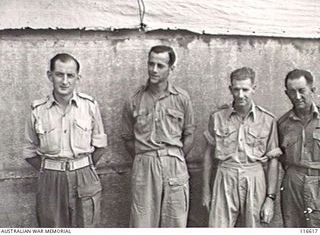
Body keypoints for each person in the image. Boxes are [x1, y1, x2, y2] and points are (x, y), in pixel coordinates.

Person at [23, 53, 107, 227]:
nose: (64, 81)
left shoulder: (89, 106)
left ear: (78, 78)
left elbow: (100, 146)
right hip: (51, 178)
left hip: (84, 176)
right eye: (59, 74)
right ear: (50, 75)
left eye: (70, 76)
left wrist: (83, 168)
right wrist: (52, 170)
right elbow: (29, 152)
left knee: (86, 227)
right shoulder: (38, 110)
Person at [121, 45, 195, 227]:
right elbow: (128, 139)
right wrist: (145, 158)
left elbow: (189, 135)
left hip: (174, 164)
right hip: (145, 163)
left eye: (160, 66)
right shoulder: (134, 99)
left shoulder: (181, 98)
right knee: (142, 223)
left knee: (175, 221)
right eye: (151, 64)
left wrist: (174, 158)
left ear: (171, 68)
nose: (154, 70)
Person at [202, 67, 282, 227]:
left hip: (255, 175)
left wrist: (270, 198)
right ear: (230, 89)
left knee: (255, 227)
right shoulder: (217, 117)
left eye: (245, 89)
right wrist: (206, 190)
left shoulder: (267, 119)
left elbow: (273, 161)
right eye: (236, 89)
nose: (240, 95)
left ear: (254, 89)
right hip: (225, 175)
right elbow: (208, 155)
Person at [278, 69, 320, 227]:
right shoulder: (283, 124)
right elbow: (282, 158)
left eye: (301, 91)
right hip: (293, 183)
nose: (297, 97)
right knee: (293, 227)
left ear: (313, 90)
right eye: (292, 92)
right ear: (286, 93)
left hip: (318, 180)